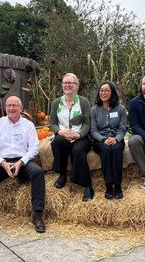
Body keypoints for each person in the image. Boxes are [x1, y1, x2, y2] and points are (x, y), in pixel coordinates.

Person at [0, 96, 45, 234]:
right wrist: (2, 163)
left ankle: (38, 214)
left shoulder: (28, 125)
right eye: (9, 105)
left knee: (38, 172)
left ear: (21, 109)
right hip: (2, 162)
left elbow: (34, 148)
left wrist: (21, 162)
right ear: (5, 108)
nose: (11, 108)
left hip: (22, 161)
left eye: (15, 105)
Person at [49, 73, 94, 202]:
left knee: (77, 150)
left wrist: (79, 134)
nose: (67, 85)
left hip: (81, 136)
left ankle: (87, 186)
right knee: (57, 141)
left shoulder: (83, 102)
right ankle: (62, 175)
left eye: (71, 83)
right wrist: (59, 132)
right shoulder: (56, 103)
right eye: (65, 83)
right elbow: (52, 122)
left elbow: (87, 123)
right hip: (63, 136)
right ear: (62, 85)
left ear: (76, 86)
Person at [91, 82, 127, 199]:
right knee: (106, 150)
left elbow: (122, 129)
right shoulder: (94, 110)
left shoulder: (121, 109)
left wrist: (116, 139)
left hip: (117, 139)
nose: (103, 93)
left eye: (107, 90)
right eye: (101, 90)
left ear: (112, 92)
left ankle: (117, 185)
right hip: (100, 140)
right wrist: (103, 139)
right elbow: (93, 130)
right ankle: (108, 185)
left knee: (116, 149)